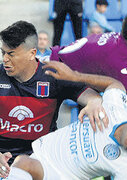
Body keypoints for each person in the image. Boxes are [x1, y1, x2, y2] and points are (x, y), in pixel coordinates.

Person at [6, 61, 127, 180]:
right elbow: (115, 84)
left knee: (23, 163)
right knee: (22, 162)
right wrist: (76, 77)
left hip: (60, 176)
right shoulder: (116, 108)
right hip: (43, 152)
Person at [0, 21, 107, 178]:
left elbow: (90, 96)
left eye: (11, 54)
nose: (5, 59)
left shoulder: (53, 75)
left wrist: (94, 102)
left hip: (43, 158)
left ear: (32, 53)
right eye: (3, 53)